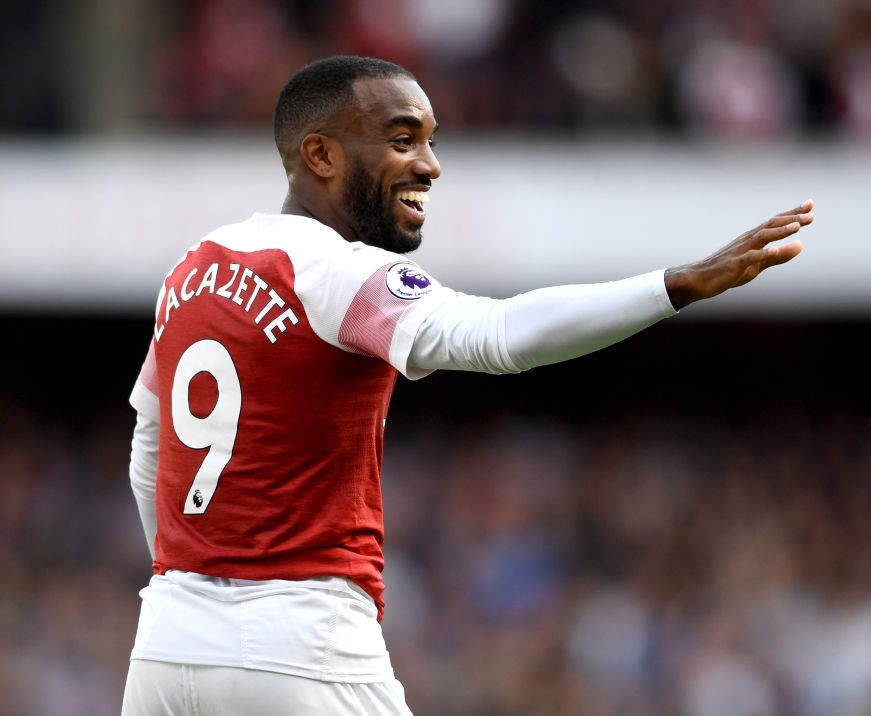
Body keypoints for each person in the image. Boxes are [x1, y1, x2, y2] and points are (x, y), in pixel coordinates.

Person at [120, 54, 815, 715]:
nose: (429, 164)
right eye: (402, 139)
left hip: (166, 644)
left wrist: (194, 587)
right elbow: (501, 334)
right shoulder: (336, 271)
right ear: (322, 155)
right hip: (298, 641)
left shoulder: (193, 266)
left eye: (429, 139)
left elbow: (149, 452)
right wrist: (676, 286)